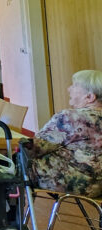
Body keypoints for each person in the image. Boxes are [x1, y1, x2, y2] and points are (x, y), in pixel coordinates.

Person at [27, 70, 102, 198]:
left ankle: (8, 216)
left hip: (68, 182)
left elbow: (35, 148)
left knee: (7, 165)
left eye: (75, 85)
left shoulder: (70, 118)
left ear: (89, 97)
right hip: (97, 188)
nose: (69, 89)